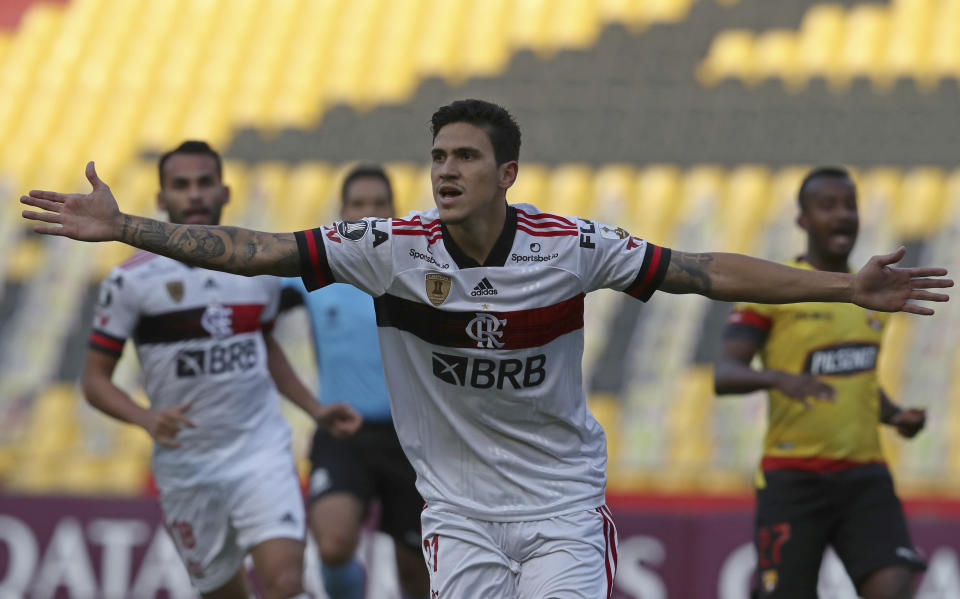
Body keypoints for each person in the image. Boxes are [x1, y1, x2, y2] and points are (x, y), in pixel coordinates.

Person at [21, 100, 951, 599]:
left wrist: (845, 285)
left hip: (558, 501)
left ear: (506, 171)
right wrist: (127, 228)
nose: (446, 171)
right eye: (438, 157)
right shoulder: (390, 249)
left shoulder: (572, 247)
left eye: (465, 157)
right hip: (457, 508)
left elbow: (702, 272)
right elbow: (257, 249)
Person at [79, 141, 361, 599]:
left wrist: (314, 408)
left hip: (260, 451)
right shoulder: (129, 281)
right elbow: (94, 380)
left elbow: (261, 344)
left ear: (225, 192)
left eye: (204, 183)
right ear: (160, 199)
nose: (194, 195)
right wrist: (145, 418)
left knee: (286, 582)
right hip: (187, 466)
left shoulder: (260, 271)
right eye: (181, 185)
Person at [713, 167, 929, 599]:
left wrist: (894, 415)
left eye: (850, 205)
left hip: (866, 475)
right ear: (803, 221)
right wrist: (778, 378)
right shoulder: (773, 291)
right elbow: (725, 373)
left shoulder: (873, 296)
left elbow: (857, 378)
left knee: (895, 587)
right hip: (794, 480)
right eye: (827, 206)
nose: (842, 215)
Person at [279, 164, 429, 599]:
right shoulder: (314, 273)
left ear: (394, 211)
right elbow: (256, 323)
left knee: (416, 568)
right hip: (342, 431)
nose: (368, 213)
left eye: (378, 204)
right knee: (333, 543)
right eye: (358, 204)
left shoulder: (418, 270)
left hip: (412, 438)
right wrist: (309, 406)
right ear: (340, 212)